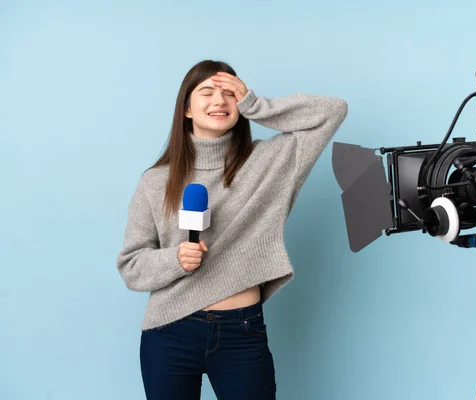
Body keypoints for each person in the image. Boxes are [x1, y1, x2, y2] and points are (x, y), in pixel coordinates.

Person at [116, 60, 348, 400]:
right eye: (207, 92)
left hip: (241, 329)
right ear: (186, 110)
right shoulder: (155, 182)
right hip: (169, 331)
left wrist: (256, 104)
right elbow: (131, 266)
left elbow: (333, 111)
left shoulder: (271, 162)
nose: (219, 101)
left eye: (229, 93)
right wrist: (175, 260)